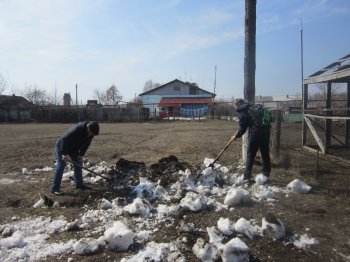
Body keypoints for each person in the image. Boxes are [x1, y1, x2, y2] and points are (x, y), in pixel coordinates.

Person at [51, 121, 100, 195]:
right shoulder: (77, 129)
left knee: (78, 163)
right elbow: (64, 139)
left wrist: (81, 154)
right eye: (91, 133)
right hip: (62, 146)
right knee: (61, 165)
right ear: (88, 129)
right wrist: (64, 154)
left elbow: (87, 144)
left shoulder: (91, 134)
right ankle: (55, 189)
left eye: (92, 134)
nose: (91, 135)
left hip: (73, 149)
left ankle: (79, 184)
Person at [230, 98, 271, 184]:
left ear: (237, 104)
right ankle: (266, 174)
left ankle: (247, 177)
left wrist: (235, 136)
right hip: (266, 132)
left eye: (234, 106)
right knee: (265, 153)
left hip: (255, 134)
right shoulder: (251, 107)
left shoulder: (242, 111)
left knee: (250, 155)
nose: (235, 108)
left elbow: (242, 129)